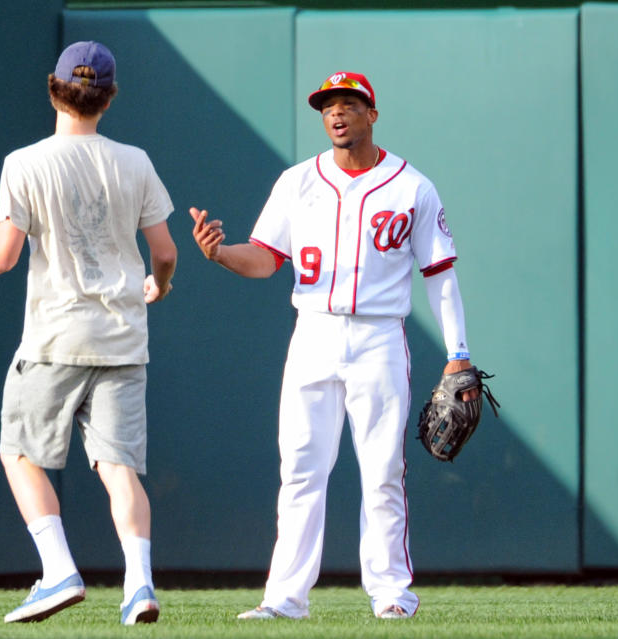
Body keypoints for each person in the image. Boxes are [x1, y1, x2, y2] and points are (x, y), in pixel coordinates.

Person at [0, 41, 177, 626]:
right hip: (124, 338)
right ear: (110, 96)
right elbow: (167, 253)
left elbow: (2, 257)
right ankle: (141, 586)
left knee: (18, 452)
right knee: (118, 467)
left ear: (53, 88)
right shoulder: (137, 161)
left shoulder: (25, 162)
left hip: (54, 338)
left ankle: (58, 573)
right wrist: (160, 284)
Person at [190, 71, 477, 620]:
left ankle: (392, 592)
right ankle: (284, 599)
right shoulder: (297, 181)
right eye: (327, 108)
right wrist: (221, 254)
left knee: (383, 469)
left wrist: (457, 352)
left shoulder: (412, 186)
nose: (337, 114)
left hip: (378, 337)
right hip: (314, 334)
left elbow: (439, 274)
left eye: (348, 104)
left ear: (372, 113)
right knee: (300, 468)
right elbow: (265, 258)